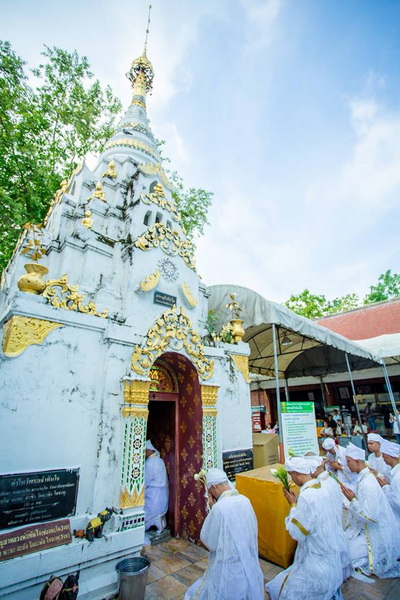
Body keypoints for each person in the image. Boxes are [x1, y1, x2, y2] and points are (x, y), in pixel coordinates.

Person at [266, 457, 344, 600]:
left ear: (297, 473)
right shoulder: (321, 489)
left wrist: (293, 505)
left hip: (316, 563)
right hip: (330, 559)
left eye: (291, 475)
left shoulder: (307, 496)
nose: (292, 479)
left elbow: (297, 533)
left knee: (275, 590)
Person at [184, 468, 264, 600]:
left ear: (214, 487)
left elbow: (209, 541)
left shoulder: (219, 508)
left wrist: (211, 508)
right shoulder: (245, 500)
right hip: (247, 562)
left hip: (228, 569)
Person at [341, 442, 400, 578]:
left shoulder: (368, 484)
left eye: (349, 461)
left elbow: (371, 516)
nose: (347, 464)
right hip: (363, 529)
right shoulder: (363, 478)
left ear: (357, 461)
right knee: (340, 546)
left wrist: (353, 501)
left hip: (373, 534)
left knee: (345, 556)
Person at [144, 440, 169, 535]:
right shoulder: (160, 461)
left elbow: (145, 480)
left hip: (153, 493)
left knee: (149, 511)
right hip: (162, 492)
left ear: (150, 451)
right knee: (158, 512)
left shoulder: (150, 463)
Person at [377, 439, 400, 525]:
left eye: (384, 454)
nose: (382, 457)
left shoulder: (397, 477)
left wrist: (386, 487)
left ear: (390, 455)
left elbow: (397, 502)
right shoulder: (393, 471)